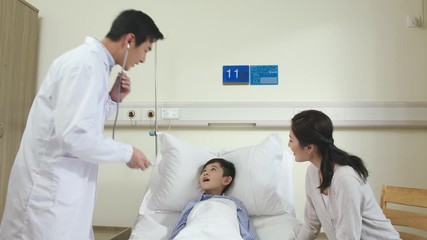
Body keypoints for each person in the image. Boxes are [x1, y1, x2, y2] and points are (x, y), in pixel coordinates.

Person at [0, 9, 164, 240]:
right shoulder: (84, 65)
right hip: (47, 194)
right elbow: (75, 135)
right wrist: (127, 153)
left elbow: (83, 119)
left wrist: (112, 98)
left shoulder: (95, 66)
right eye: (146, 50)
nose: (143, 59)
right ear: (129, 40)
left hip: (63, 191)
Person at [288, 110, 400, 240]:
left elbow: (348, 237)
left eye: (291, 140)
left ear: (309, 147)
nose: (289, 145)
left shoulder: (345, 179)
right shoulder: (312, 173)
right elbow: (311, 226)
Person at [169, 158, 257, 240]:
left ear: (226, 180)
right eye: (204, 170)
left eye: (213, 169)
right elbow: (179, 227)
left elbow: (246, 228)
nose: (205, 173)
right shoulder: (194, 203)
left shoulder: (234, 203)